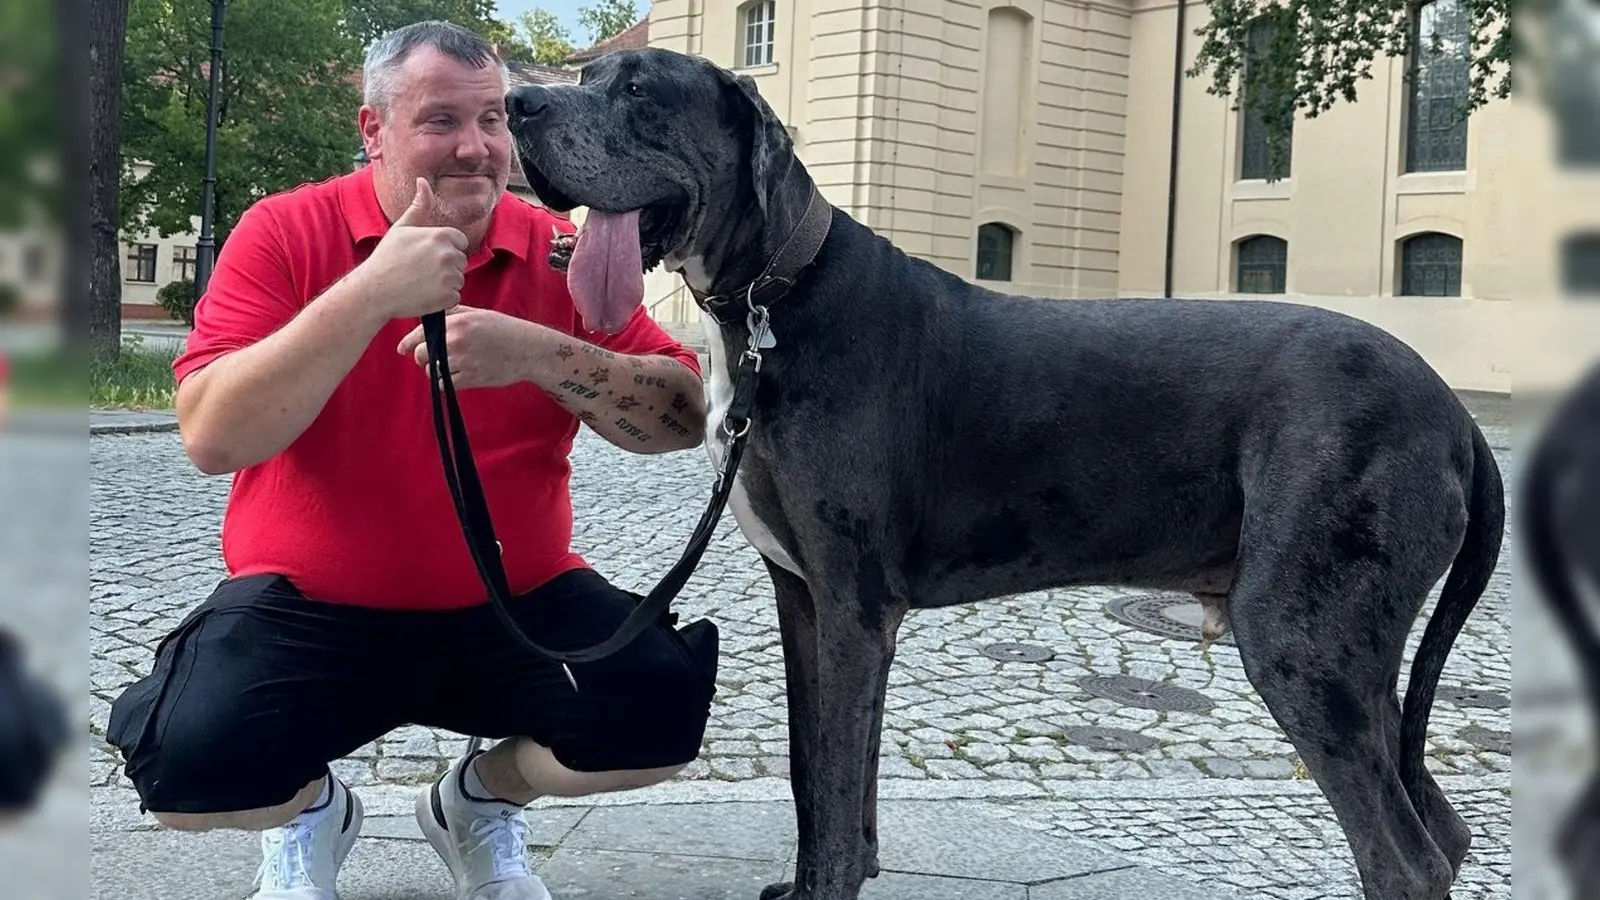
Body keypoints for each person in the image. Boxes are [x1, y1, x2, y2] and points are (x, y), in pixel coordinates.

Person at [104, 20, 718, 900]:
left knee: (659, 712)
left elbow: (681, 418)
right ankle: (314, 812)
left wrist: (546, 355)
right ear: (373, 130)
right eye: (440, 122)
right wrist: (370, 294)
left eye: (495, 120)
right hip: (308, 609)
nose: (476, 148)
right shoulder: (284, 232)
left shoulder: (556, 248)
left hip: (515, 607)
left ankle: (474, 802)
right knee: (186, 770)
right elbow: (212, 436)